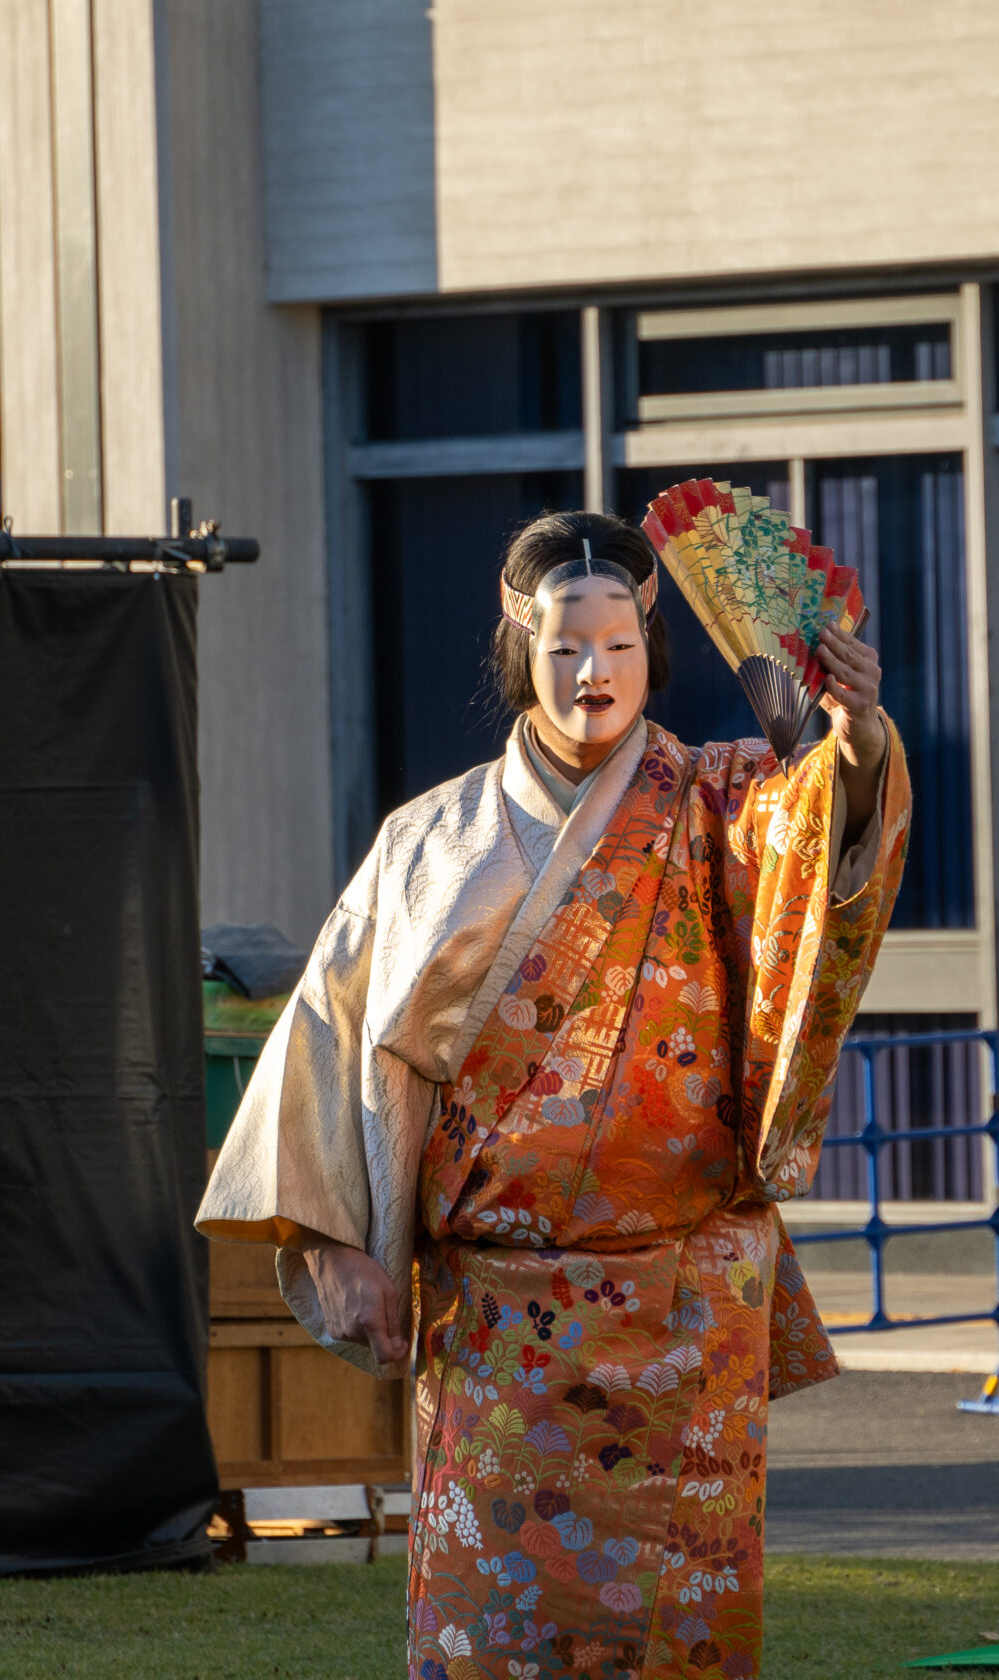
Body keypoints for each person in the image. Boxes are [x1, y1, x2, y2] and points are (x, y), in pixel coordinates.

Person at [199, 506, 908, 1679]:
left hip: (684, 1303)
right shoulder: (429, 841)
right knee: (494, 1627)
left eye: (620, 646)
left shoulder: (724, 801)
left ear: (654, 652)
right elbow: (329, 1036)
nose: (594, 673)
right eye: (566, 646)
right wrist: (338, 1248)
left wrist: (859, 740)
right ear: (520, 651)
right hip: (497, 1323)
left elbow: (821, 842)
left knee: (679, 1633)